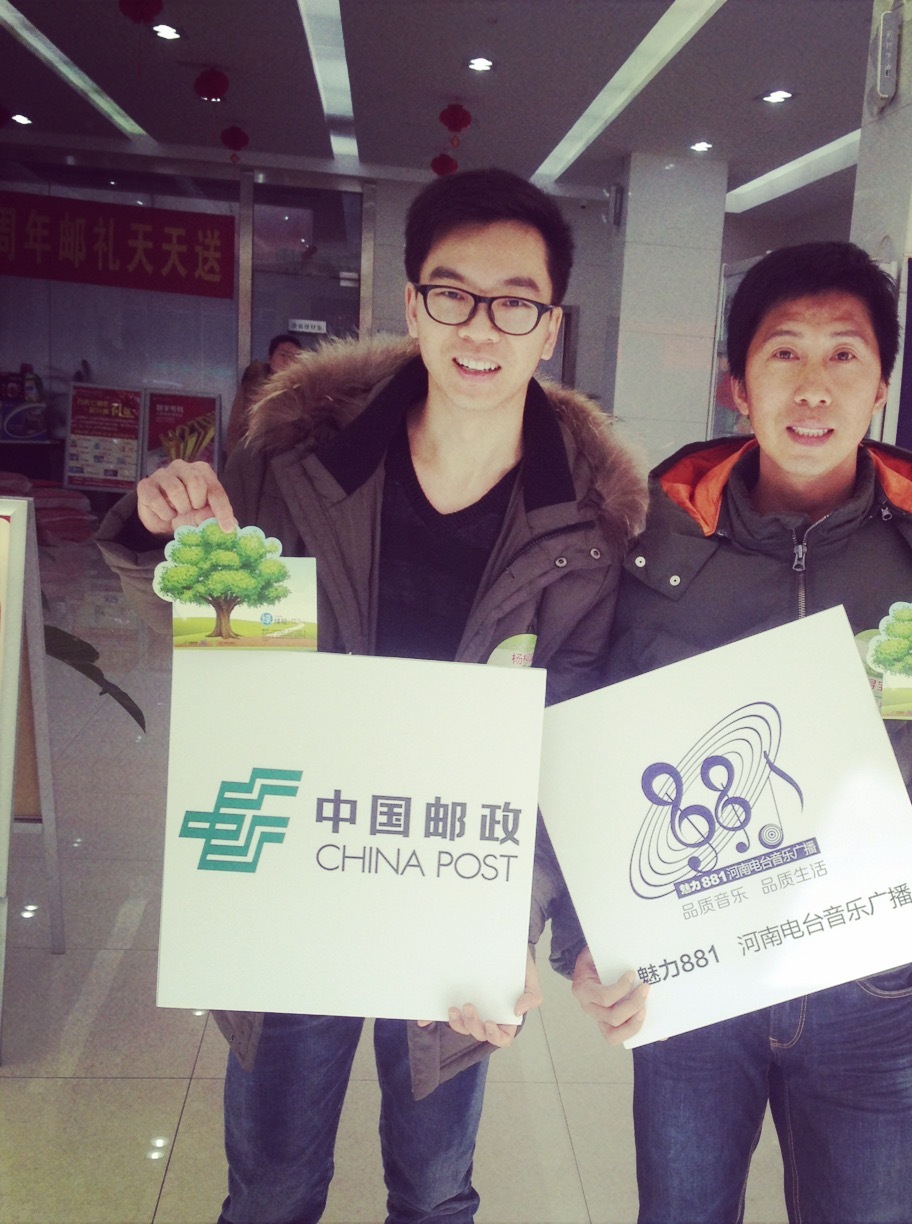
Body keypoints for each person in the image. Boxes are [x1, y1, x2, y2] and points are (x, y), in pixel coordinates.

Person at [96, 168, 646, 1224]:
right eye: (453, 293)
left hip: (450, 885)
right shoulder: (292, 462)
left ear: (550, 329)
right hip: (298, 874)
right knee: (271, 1186)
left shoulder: (583, 531)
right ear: (412, 305)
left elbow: (563, 746)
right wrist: (164, 537)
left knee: (434, 1190)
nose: (480, 327)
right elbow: (220, 642)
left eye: (514, 303)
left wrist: (515, 918)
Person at [570, 242, 912, 1223]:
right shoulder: (652, 544)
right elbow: (596, 754)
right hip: (693, 971)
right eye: (785, 353)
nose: (814, 387)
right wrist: (584, 934)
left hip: (860, 971)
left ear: (882, 386)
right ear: (737, 385)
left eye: (844, 355)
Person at [224, 333, 304, 459]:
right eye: (283, 355)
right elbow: (236, 426)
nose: (288, 360)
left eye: (295, 357)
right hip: (250, 456)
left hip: (285, 459)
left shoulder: (303, 392)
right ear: (270, 358)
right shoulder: (253, 384)